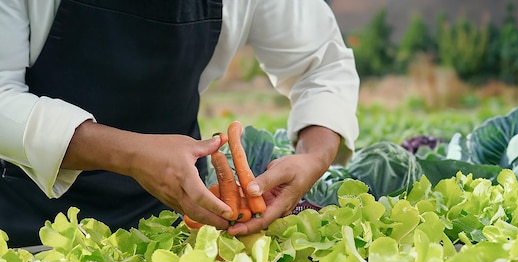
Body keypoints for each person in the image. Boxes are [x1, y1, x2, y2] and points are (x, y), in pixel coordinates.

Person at [0, 0, 359, 249]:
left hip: (169, 226)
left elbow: (321, 65)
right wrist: (131, 156)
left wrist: (313, 157)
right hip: (25, 224)